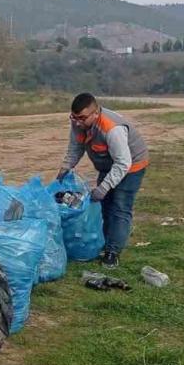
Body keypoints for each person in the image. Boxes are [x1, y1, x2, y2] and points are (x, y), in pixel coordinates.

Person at [56, 93, 149, 268]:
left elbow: (123, 163)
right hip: (108, 166)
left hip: (131, 166)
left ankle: (112, 253)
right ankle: (104, 243)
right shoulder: (78, 122)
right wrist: (64, 170)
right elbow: (75, 148)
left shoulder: (112, 129)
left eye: (81, 118)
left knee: (119, 208)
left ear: (95, 113)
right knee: (104, 205)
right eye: (73, 117)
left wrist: (104, 187)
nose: (77, 122)